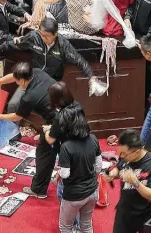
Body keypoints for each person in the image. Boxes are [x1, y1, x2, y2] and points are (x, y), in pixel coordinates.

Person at [0, 62, 57, 198]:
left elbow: (17, 116)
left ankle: (39, 190)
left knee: (44, 154)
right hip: (70, 108)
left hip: (57, 121)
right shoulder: (37, 71)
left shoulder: (29, 97)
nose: (15, 82)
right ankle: (63, 176)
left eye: (17, 80)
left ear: (22, 80)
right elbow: (13, 76)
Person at [0, 17, 92, 81]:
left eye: (47, 36)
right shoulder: (34, 36)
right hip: (33, 76)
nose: (43, 38)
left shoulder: (63, 44)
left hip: (51, 81)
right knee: (15, 104)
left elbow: (80, 60)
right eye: (41, 34)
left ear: (55, 34)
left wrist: (92, 79)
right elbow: (14, 44)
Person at [55, 84, 101, 233]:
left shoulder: (66, 147)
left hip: (74, 195)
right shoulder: (93, 138)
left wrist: (58, 172)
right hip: (93, 192)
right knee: (86, 225)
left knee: (65, 227)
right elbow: (98, 167)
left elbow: (65, 174)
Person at [105, 129, 151, 233]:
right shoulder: (126, 157)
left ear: (137, 151)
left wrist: (136, 183)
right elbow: (119, 167)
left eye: (124, 153)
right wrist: (113, 174)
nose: (121, 156)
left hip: (145, 215)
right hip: (125, 212)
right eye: (120, 153)